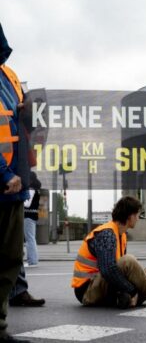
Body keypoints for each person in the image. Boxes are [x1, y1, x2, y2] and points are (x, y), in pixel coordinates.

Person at [71, 196, 146, 308]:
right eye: (137, 215)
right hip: (88, 291)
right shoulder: (107, 234)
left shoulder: (121, 235)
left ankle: (125, 298)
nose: (138, 218)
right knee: (128, 261)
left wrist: (130, 289)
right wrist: (131, 290)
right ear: (129, 216)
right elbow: (108, 269)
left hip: (106, 286)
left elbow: (118, 271)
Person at [0, 24, 32, 343]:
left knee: (10, 258)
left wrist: (26, 112)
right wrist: (4, 174)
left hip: (13, 185)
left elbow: (14, 123)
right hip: (4, 179)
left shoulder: (9, 75)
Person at [23, 172, 41, 267]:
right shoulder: (35, 190)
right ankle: (32, 260)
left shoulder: (31, 190)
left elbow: (27, 204)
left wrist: (19, 199)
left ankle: (32, 261)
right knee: (31, 238)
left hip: (28, 216)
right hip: (32, 216)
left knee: (30, 239)